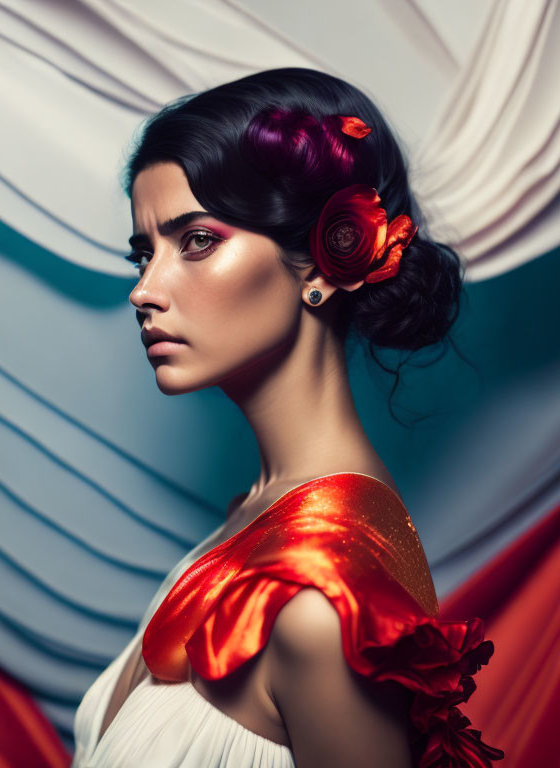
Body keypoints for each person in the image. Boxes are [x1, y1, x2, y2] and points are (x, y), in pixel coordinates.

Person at [72, 67, 504, 768]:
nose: (144, 291)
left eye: (197, 241)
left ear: (323, 259)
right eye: (143, 252)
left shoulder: (323, 602)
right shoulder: (256, 513)